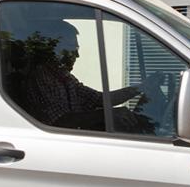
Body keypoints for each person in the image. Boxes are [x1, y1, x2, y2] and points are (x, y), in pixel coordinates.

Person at [13, 20, 143, 130]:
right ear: (55, 50)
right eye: (71, 49)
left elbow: (99, 99)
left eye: (76, 49)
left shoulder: (64, 77)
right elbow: (61, 122)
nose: (77, 55)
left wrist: (141, 88)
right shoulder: (41, 78)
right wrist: (107, 114)